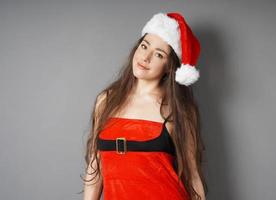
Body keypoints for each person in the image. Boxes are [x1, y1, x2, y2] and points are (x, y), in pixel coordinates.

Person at [81, 12, 208, 200]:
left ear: (169, 66)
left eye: (158, 54)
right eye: (144, 46)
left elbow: (193, 176)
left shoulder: (177, 110)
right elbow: (95, 166)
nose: (145, 57)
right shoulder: (106, 100)